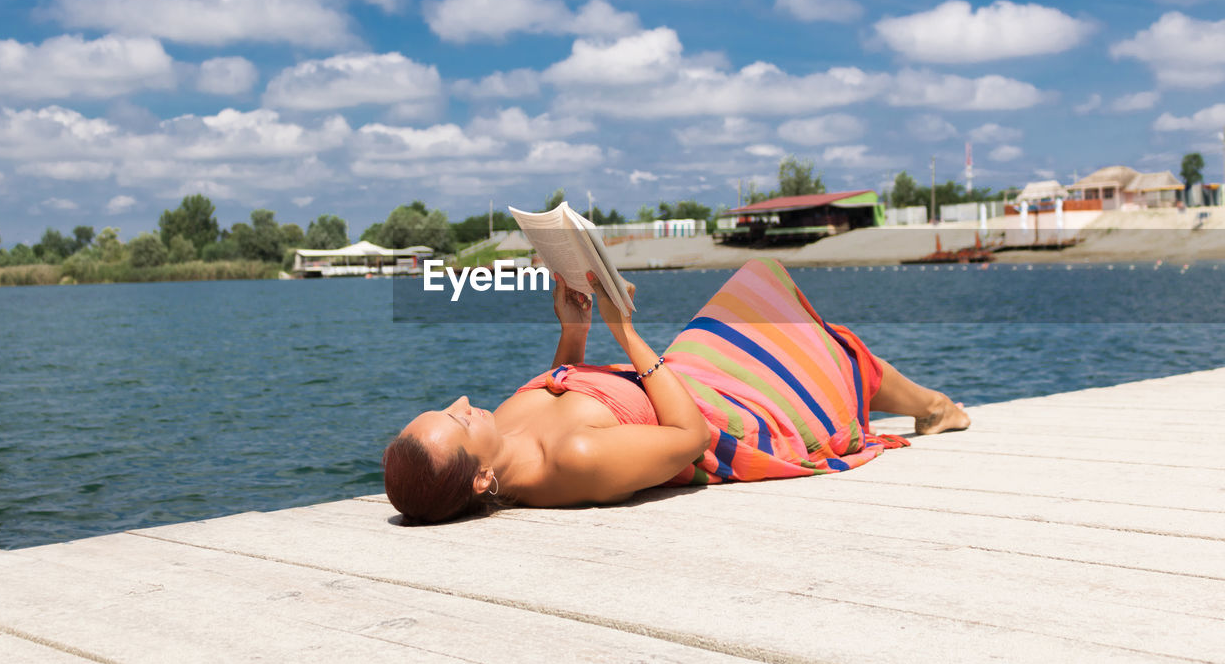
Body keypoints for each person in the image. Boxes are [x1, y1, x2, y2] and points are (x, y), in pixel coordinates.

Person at [383, 259, 968, 524]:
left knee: (766, 306)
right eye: (457, 421)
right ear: (481, 479)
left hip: (680, 376)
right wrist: (626, 332)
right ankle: (937, 407)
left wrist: (574, 330)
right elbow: (688, 440)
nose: (462, 403)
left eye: (444, 408)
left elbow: (561, 387)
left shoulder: (503, 435)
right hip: (724, 416)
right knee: (822, 354)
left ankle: (932, 405)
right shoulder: (573, 463)